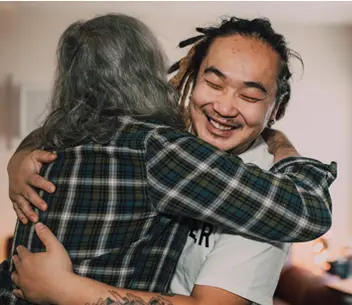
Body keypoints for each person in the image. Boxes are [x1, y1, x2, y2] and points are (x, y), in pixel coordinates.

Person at [3, 15, 337, 305]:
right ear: (190, 79)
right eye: (213, 82)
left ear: (275, 108)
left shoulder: (266, 190)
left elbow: (311, 212)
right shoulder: (165, 139)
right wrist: (18, 159)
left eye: (250, 95)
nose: (224, 107)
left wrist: (67, 290)